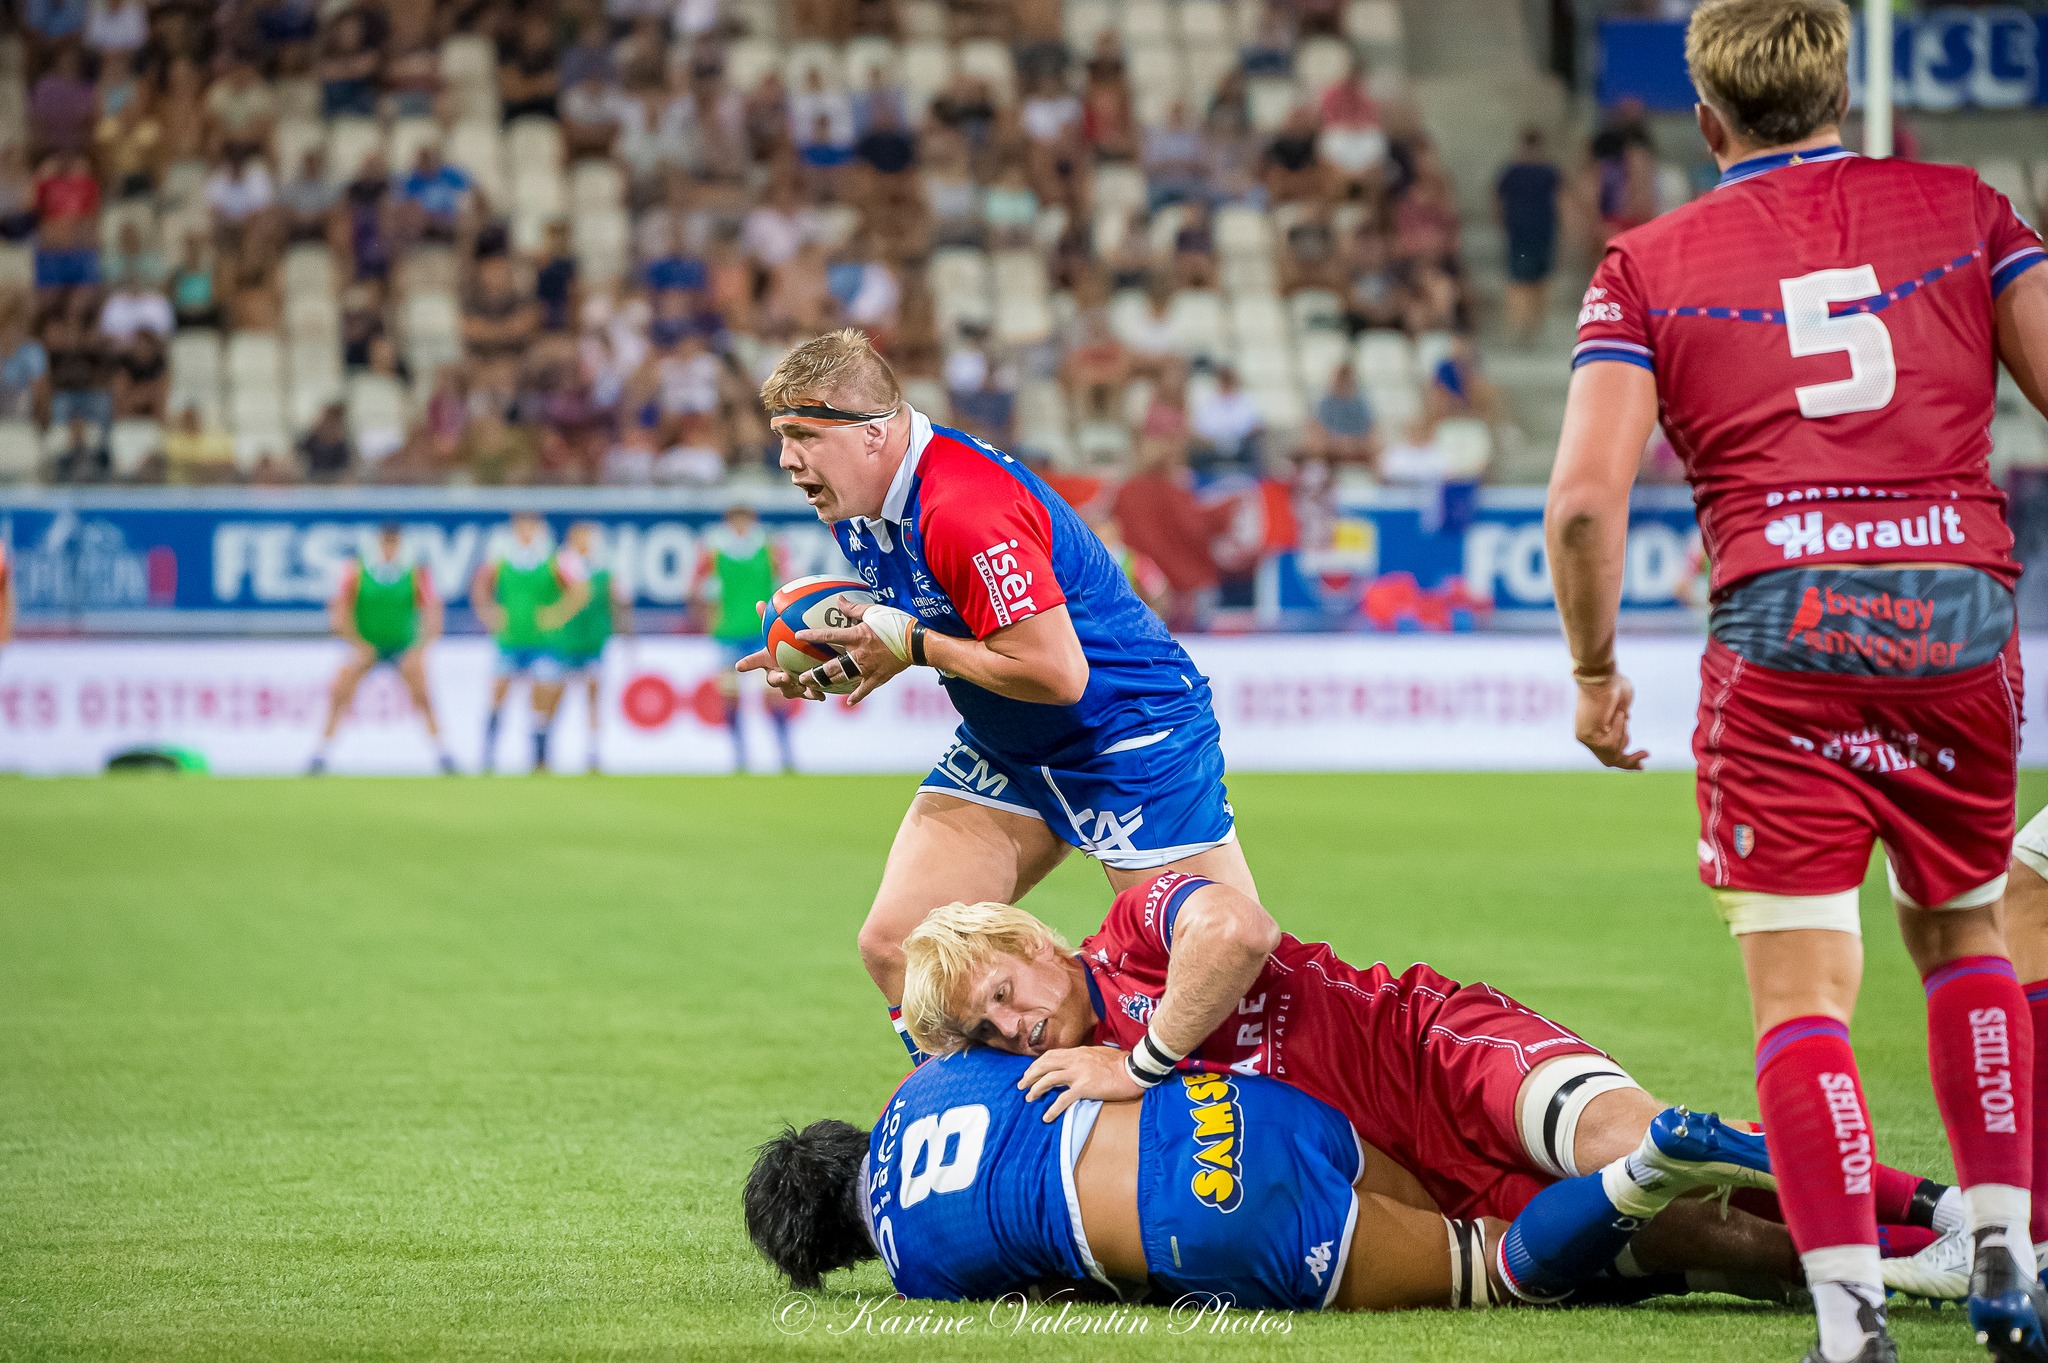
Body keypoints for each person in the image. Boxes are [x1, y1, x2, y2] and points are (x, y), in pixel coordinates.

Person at [1543, 2, 2048, 1360]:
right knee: (1966, 939)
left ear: (1706, 121)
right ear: (1841, 90)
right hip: (1957, 613)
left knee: (1802, 994)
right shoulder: (1967, 208)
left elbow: (1583, 504)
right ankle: (2008, 1253)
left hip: (1783, 627)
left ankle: (1849, 1320)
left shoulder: (1646, 263)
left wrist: (1594, 672)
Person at [896, 877, 1967, 1284]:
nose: (1012, 1026)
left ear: (1032, 942)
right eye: (987, 1027)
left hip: (1439, 1052)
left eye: (1004, 991)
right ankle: (1929, 1267)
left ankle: (1950, 1206)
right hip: (1419, 1181)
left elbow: (1237, 929)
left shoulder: (1133, 929)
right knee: (1705, 1239)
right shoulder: (1063, 1087)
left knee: (1627, 1141)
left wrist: (1139, 1063)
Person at [738, 329, 1258, 1063]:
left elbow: (1058, 673)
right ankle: (979, 1126)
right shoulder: (861, 508)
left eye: (803, 437)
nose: (787, 460)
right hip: (1013, 742)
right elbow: (942, 623)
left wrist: (913, 646)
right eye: (782, 438)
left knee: (1216, 987)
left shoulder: (962, 505)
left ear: (873, 433)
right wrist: (863, 655)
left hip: (1128, 737)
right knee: (902, 947)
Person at [746, 1046, 1794, 1309]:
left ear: (834, 1249)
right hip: (1225, 1105)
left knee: (1493, 1267)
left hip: (1206, 1214)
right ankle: (1767, 1250)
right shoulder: (926, 1080)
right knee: (1466, 1201)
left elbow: (1054, 1285)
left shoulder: (915, 1269)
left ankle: (1644, 1168)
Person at [309, 523, 456, 775]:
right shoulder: (357, 570)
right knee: (339, 693)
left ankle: (444, 754)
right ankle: (320, 754)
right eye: (386, 543)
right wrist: (356, 644)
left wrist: (419, 649)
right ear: (378, 544)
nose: (389, 549)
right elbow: (340, 610)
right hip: (367, 646)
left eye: (394, 543)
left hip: (403, 647)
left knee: (423, 697)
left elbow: (433, 611)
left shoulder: (415, 572)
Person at [471, 512, 590, 775]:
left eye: (530, 527)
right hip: (510, 639)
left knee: (542, 695)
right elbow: (480, 585)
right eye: (521, 527)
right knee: (498, 693)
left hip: (544, 641)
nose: (525, 532)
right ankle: (488, 754)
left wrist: (558, 614)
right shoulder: (501, 558)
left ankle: (539, 754)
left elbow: (581, 590)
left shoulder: (555, 558)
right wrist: (488, 613)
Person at [694, 501, 792, 774]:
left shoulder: (769, 547)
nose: (740, 526)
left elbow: (786, 586)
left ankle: (785, 754)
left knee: (775, 692)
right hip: (727, 633)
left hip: (763, 632)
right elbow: (697, 587)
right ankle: (739, 755)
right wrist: (709, 620)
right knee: (730, 695)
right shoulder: (715, 550)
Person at [554, 520, 632, 775]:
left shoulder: (603, 569)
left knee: (593, 694)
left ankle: (592, 749)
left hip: (594, 640)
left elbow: (618, 602)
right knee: (556, 694)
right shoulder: (561, 566)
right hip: (564, 641)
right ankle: (546, 748)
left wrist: (627, 636)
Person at [1496, 126, 1561, 346]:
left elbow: (1559, 200)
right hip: (1520, 232)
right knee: (1519, 280)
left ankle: (1534, 325)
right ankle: (1518, 325)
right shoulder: (1512, 172)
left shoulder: (1548, 172)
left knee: (1539, 280)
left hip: (1542, 232)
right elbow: (1499, 199)